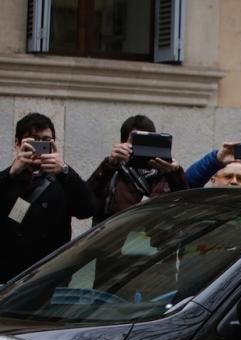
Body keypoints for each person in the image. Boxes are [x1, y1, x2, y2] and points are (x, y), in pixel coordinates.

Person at [0, 113, 95, 282]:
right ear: (17, 144)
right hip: (9, 275)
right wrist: (12, 173)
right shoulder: (8, 178)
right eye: (33, 140)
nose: (39, 146)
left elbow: (87, 209)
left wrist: (65, 171)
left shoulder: (63, 179)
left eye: (45, 140)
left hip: (49, 276)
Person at [86, 115, 187, 224]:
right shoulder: (112, 168)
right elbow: (85, 202)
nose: (140, 148)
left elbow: (184, 205)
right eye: (135, 141)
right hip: (115, 235)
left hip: (154, 236)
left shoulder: (164, 172)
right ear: (123, 143)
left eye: (145, 142)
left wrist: (174, 173)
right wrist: (108, 165)